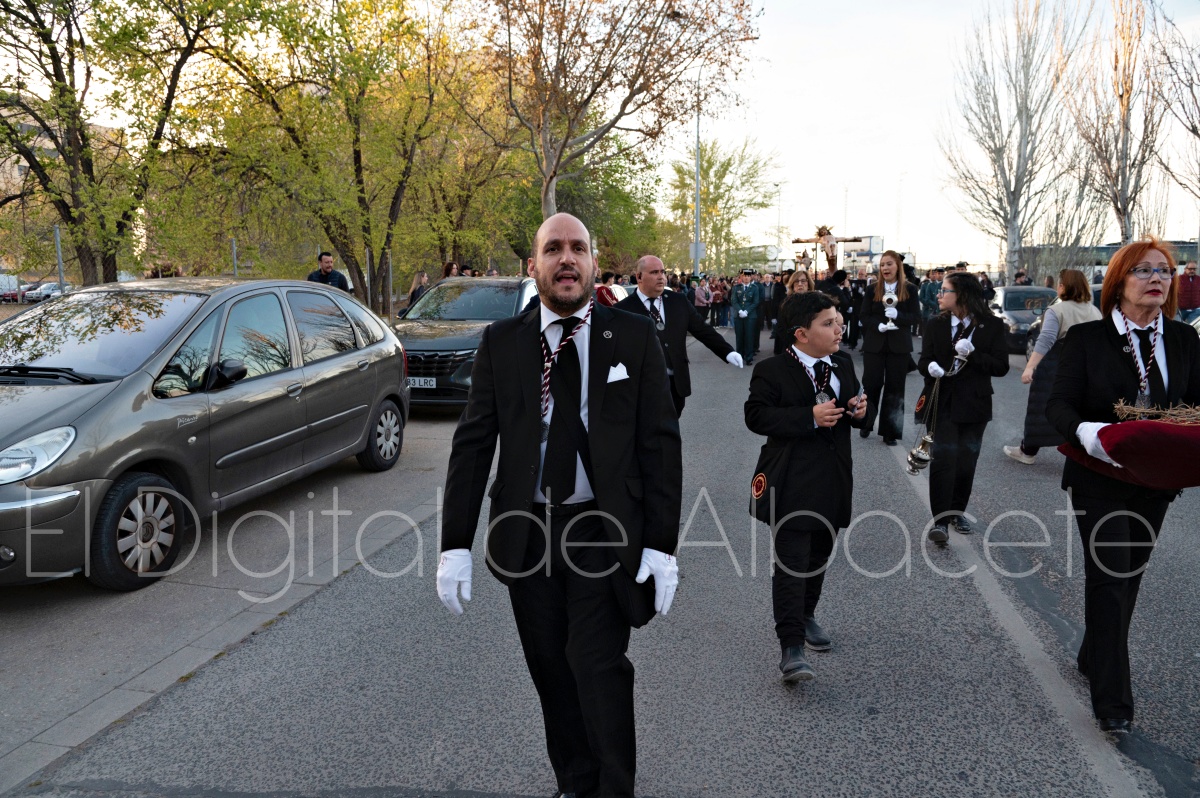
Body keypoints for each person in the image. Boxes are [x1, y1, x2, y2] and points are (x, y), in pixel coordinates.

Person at [437, 213, 682, 797]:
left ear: (593, 264)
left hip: (603, 529)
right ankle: (575, 780)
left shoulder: (632, 336)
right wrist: (454, 545)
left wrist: (661, 544)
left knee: (596, 665)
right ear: (535, 266)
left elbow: (659, 443)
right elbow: (473, 445)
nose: (566, 258)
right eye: (553, 249)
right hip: (529, 531)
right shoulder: (502, 342)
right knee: (550, 668)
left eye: (577, 248)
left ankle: (614, 788)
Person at [1046, 238, 1200, 737]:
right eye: (1143, 270)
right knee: (1110, 579)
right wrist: (1092, 435)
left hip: (1155, 480)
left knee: (1129, 575)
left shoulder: (1184, 339)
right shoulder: (1086, 339)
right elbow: (1058, 406)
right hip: (1098, 476)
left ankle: (1093, 653)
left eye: (1164, 271)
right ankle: (1113, 702)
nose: (1157, 279)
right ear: (1118, 282)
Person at [744, 291, 868, 683]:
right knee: (791, 564)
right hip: (792, 480)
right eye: (828, 324)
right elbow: (756, 416)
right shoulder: (773, 370)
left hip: (834, 480)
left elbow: (855, 410)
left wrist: (860, 412)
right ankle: (791, 647)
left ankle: (807, 613)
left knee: (818, 556)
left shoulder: (842, 362)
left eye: (838, 321)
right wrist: (808, 417)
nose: (839, 329)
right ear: (801, 333)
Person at [918, 272, 1010, 544]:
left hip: (974, 404)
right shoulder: (935, 323)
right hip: (942, 401)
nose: (939, 295)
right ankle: (940, 521)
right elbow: (924, 360)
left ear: (962, 295)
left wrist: (974, 354)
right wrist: (930, 367)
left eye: (945, 290)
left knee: (966, 462)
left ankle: (957, 512)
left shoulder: (992, 325)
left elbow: (1001, 367)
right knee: (943, 460)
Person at [615, 255, 743, 416]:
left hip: (676, 385)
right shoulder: (622, 310)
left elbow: (702, 329)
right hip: (643, 387)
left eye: (663, 272)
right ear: (639, 276)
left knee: (672, 426)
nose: (661, 277)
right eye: (654, 272)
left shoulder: (678, 301)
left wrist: (727, 351)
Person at [1003, 269, 1101, 464]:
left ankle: (1027, 451)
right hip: (1085, 367)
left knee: (1041, 407)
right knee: (1078, 408)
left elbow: (1046, 339)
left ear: (1063, 287)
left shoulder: (1056, 310)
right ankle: (1082, 450)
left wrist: (1030, 366)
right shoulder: (1094, 311)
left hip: (1056, 365)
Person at [858, 250, 920, 445]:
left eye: (889, 264)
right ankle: (867, 422)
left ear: (898, 266)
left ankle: (890, 431)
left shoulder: (910, 289)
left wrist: (898, 317)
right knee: (871, 384)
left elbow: (916, 317)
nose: (885, 268)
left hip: (899, 346)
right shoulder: (872, 289)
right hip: (874, 344)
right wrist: (877, 325)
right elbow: (864, 315)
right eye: (882, 264)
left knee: (895, 388)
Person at [731, 268, 762, 365]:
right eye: (744, 276)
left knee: (749, 336)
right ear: (741, 277)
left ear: (751, 277)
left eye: (748, 276)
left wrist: (747, 311)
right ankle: (739, 356)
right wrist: (740, 310)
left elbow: (756, 302)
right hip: (738, 315)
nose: (746, 278)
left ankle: (749, 357)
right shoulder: (736, 287)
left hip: (750, 316)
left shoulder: (754, 288)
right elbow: (734, 301)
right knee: (739, 336)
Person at [918, 267, 943, 337]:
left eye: (935, 274)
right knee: (926, 332)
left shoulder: (940, 285)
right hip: (928, 310)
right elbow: (921, 297)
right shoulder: (925, 285)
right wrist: (933, 305)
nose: (934, 275)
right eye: (932, 274)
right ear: (929, 275)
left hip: (937, 310)